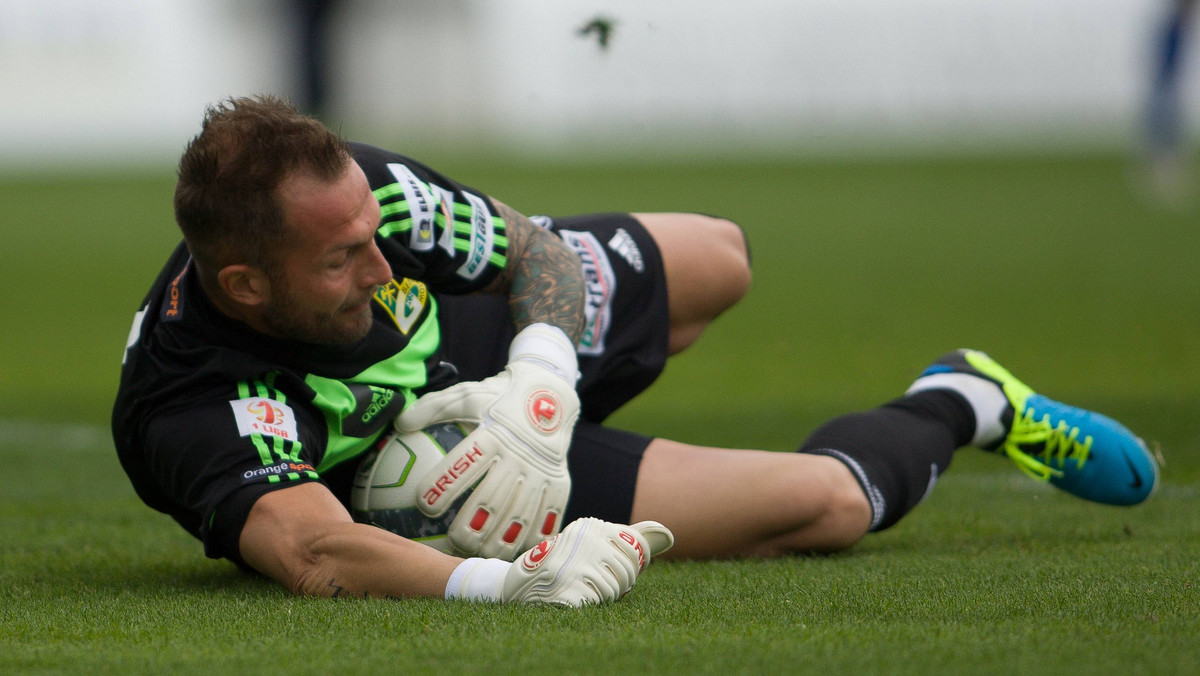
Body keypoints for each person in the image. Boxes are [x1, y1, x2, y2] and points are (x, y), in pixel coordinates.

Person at [113, 95, 1160, 606]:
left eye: (375, 238)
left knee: (719, 261)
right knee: (827, 507)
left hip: (493, 363)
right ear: (246, 285)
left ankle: (567, 375)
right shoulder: (186, 403)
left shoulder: (370, 201)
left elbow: (531, 252)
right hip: (457, 496)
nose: (383, 263)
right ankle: (969, 398)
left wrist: (541, 375)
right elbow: (311, 550)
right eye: (342, 261)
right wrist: (507, 582)